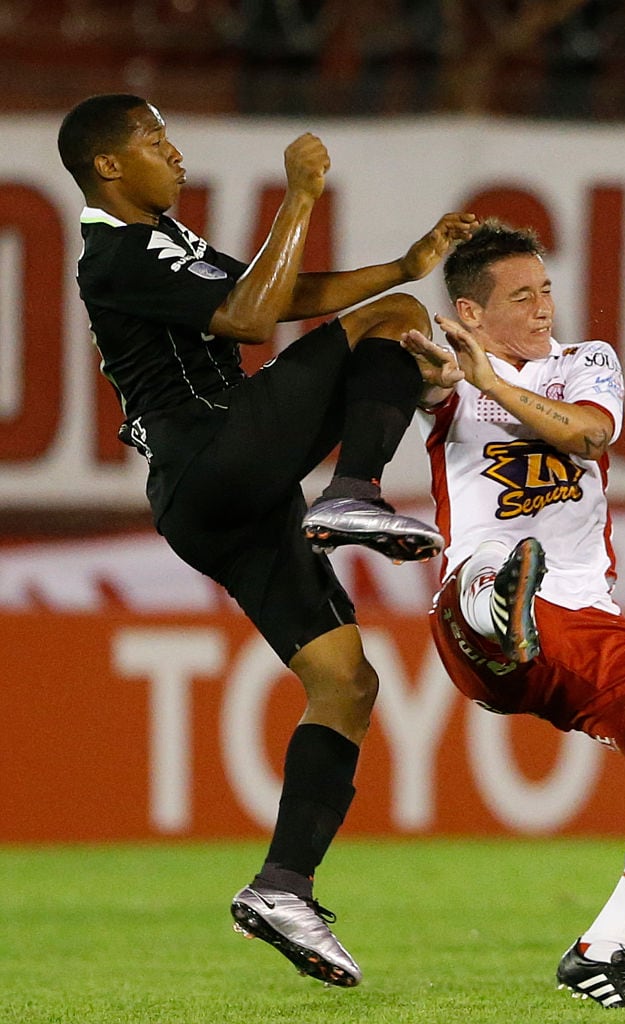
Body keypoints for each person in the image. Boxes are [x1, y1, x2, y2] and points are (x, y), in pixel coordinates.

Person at [57, 93, 477, 989]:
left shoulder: (161, 238)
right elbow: (250, 321)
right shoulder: (115, 254)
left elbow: (277, 295)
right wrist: (300, 196)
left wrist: (403, 262)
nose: (174, 153)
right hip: (212, 451)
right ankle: (354, 493)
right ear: (108, 166)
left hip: (221, 497)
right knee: (395, 318)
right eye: (154, 140)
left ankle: (283, 887)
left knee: (346, 683)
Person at [402, 220, 625, 1009]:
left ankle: (600, 949)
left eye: (545, 289)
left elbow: (589, 436)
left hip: (578, 626)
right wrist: (426, 376)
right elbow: (423, 386)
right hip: (470, 628)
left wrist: (489, 383)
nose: (542, 308)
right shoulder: (447, 375)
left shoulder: (586, 363)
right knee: (491, 563)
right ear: (470, 312)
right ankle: (498, 601)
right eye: (520, 296)